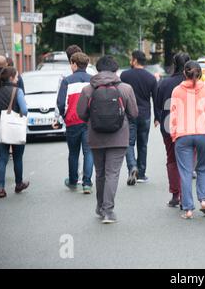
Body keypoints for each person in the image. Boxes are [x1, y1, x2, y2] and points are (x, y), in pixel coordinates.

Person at [77, 56, 138, 224]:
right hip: (119, 137)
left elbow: (81, 114)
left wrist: (94, 120)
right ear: (115, 70)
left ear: (97, 70)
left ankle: (100, 206)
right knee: (112, 173)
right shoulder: (125, 88)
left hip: (96, 136)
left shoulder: (87, 90)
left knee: (100, 173)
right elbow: (134, 114)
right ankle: (108, 211)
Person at [170, 61, 205, 219]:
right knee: (203, 168)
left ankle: (188, 209)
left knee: (185, 172)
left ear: (185, 73)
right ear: (200, 73)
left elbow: (174, 115)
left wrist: (173, 134)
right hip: (203, 133)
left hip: (183, 134)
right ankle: (203, 200)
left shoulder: (177, 90)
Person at [55, 52, 94, 194]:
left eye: (71, 63)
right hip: (89, 121)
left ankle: (73, 180)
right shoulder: (92, 80)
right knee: (88, 152)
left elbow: (61, 103)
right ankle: (87, 183)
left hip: (72, 121)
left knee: (73, 153)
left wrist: (64, 117)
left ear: (74, 64)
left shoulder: (67, 81)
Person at [155, 52, 191, 207]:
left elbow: (157, 105)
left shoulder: (164, 83)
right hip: (189, 126)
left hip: (168, 125)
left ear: (174, 64)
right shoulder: (192, 83)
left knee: (171, 159)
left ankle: (175, 194)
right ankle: (185, 197)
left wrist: (158, 118)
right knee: (187, 162)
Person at [120, 51, 159, 185]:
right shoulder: (151, 78)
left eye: (131, 59)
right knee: (143, 144)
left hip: (129, 114)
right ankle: (141, 174)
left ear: (135, 60)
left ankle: (132, 166)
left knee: (129, 143)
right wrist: (157, 117)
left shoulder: (124, 75)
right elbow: (155, 98)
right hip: (145, 115)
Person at [0, 67, 29, 198]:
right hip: (15, 128)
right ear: (11, 78)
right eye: (16, 77)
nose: (18, 79)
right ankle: (18, 184)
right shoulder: (17, 91)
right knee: (17, 158)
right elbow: (24, 110)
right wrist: (19, 117)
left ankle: (1, 189)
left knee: (2, 159)